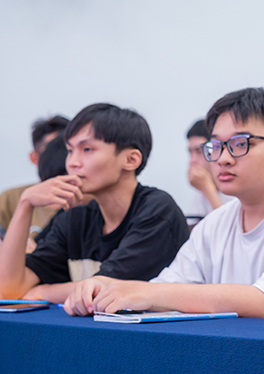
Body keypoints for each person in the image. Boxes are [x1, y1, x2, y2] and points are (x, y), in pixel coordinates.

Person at [63, 88, 264, 324]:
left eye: (240, 144)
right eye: (215, 146)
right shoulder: (217, 222)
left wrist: (144, 292)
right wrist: (108, 287)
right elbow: (170, 286)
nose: (223, 158)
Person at [0, 104, 189, 303]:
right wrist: (25, 204)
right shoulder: (76, 217)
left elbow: (104, 288)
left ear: (131, 159)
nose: (72, 162)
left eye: (87, 149)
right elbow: (9, 289)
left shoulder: (157, 211)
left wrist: (42, 292)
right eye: (70, 150)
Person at [0, 115, 70, 237]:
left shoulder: (90, 199)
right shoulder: (11, 199)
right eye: (51, 149)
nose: (60, 155)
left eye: (68, 149)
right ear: (34, 158)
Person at [185, 119, 231, 219]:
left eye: (199, 151)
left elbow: (229, 225)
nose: (192, 161)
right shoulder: (200, 192)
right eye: (190, 152)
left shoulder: (234, 189)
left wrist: (207, 189)